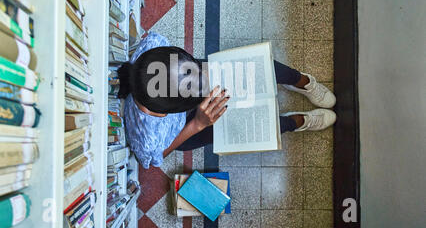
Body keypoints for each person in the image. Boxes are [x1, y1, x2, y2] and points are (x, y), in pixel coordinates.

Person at [119, 32, 336, 169]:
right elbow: (157, 157)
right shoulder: (148, 137)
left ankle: (303, 81)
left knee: (255, 69)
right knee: (242, 126)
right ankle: (295, 122)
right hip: (185, 128)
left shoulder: (154, 45)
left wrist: (202, 74)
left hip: (183, 84)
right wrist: (197, 124)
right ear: (161, 114)